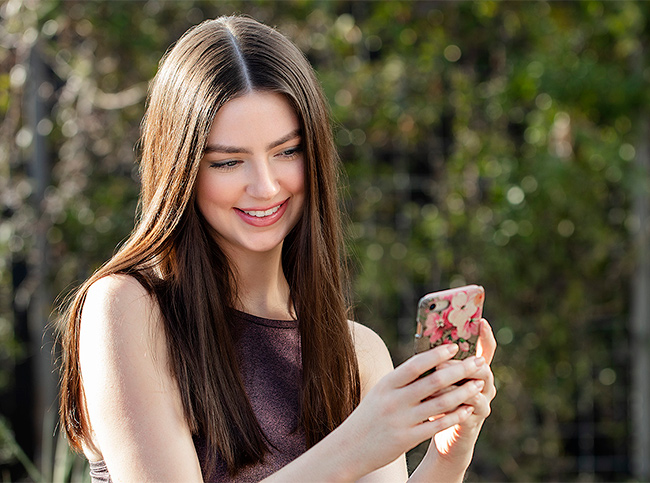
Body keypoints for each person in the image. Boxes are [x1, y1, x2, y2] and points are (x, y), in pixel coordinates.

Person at [57, 15, 497, 482]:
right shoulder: (127, 310)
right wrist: (360, 443)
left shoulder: (356, 352)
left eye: (287, 152)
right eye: (228, 162)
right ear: (182, 170)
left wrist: (448, 456)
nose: (265, 187)